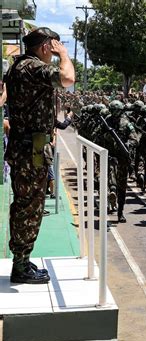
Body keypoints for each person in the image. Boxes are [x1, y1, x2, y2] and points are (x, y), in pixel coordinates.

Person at [5, 27, 75, 284]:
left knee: (27, 206)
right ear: (46, 46)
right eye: (54, 45)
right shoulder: (32, 67)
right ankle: (20, 265)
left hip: (27, 148)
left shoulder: (20, 67)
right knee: (29, 208)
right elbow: (67, 78)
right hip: (30, 150)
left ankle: (22, 259)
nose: (56, 49)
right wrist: (65, 55)